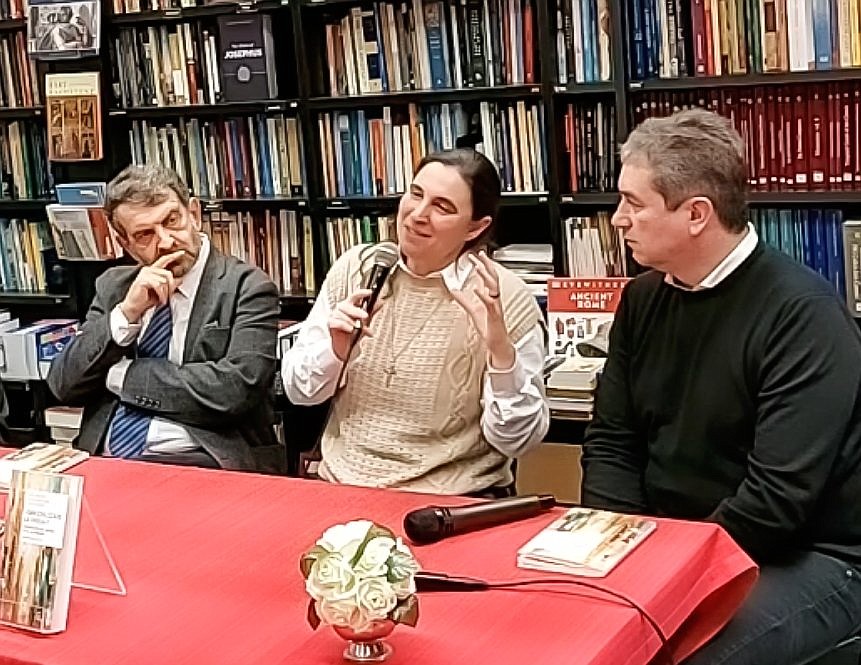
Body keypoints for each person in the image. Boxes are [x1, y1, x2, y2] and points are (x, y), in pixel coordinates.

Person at [581, 108, 861, 664]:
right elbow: (613, 440)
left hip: (811, 555)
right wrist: (609, 547)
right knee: (579, 623)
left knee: (671, 653)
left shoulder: (802, 316)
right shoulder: (641, 299)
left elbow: (775, 502)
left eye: (634, 203)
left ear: (696, 215)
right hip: (679, 541)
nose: (617, 219)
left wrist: (665, 576)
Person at [282, 148, 549, 495]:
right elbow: (299, 393)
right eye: (416, 194)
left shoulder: (503, 298)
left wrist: (501, 353)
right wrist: (335, 350)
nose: (417, 215)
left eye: (443, 207)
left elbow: (517, 441)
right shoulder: (358, 269)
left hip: (452, 501)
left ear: (475, 227)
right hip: (341, 487)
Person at [47, 165, 279, 471]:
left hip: (205, 459)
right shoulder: (114, 286)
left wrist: (121, 376)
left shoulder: (247, 286)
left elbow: (235, 391)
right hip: (107, 457)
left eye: (172, 220)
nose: (167, 241)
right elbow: (63, 385)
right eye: (145, 234)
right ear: (125, 244)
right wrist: (127, 314)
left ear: (193, 214)